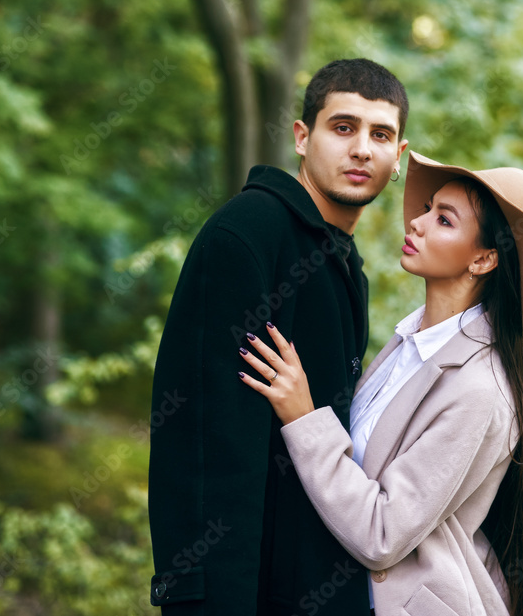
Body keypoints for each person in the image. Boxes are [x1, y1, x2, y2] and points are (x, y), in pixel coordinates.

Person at [236, 150, 523, 616]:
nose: (418, 223)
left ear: (485, 259)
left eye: (444, 220)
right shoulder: (410, 344)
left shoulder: (480, 389)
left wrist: (304, 418)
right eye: (427, 208)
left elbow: (382, 533)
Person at [147, 58, 409, 616]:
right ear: (301, 137)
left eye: (380, 134)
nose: (362, 148)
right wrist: (201, 598)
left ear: (399, 158)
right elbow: (206, 440)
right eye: (343, 127)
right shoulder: (248, 236)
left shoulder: (343, 264)